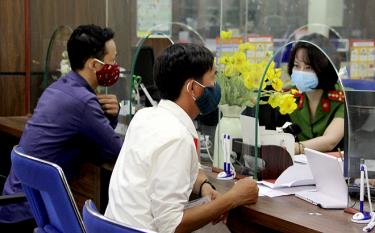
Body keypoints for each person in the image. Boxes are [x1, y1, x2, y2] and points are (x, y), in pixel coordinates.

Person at [105, 43, 259, 233]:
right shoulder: (177, 137)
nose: (215, 86)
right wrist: (232, 198)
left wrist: (204, 185)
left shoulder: (144, 117)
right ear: (193, 88)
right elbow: (172, 225)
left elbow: (178, 170)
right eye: (212, 79)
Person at [0, 24, 123, 229]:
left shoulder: (58, 88)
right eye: (113, 60)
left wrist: (109, 117)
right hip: (30, 212)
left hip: (16, 203)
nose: (116, 66)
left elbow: (97, 141)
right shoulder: (83, 101)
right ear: (94, 64)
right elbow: (116, 150)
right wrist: (114, 115)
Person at [287, 33, 345, 154]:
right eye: (297, 66)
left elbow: (330, 141)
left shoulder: (343, 99)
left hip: (334, 168)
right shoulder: (290, 97)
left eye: (308, 67)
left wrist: (292, 148)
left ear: (324, 68)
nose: (301, 72)